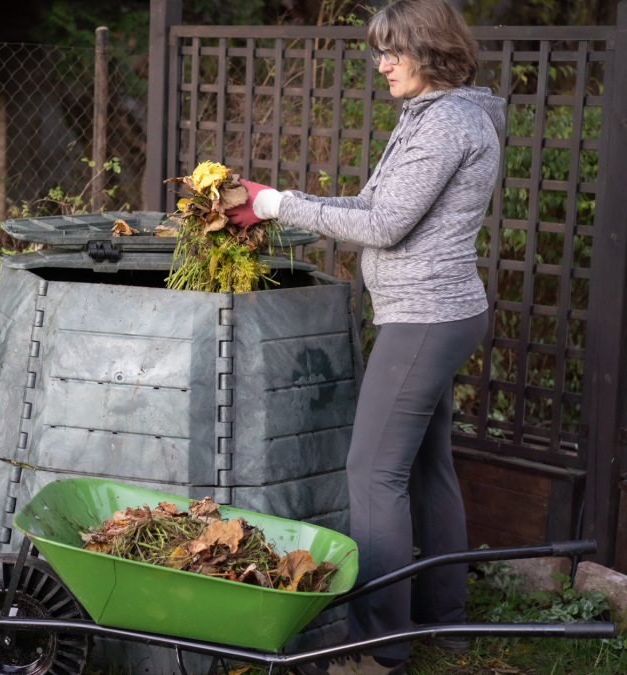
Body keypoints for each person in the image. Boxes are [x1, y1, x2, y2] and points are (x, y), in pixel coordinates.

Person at [225, 1, 505, 674]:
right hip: (434, 312)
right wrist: (280, 205)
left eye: (391, 51)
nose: (379, 63)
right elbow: (371, 205)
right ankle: (447, 622)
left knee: (372, 473)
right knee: (425, 468)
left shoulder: (447, 126)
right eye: (377, 50)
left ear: (431, 49)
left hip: (425, 318)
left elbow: (384, 227)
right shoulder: (434, 116)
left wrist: (270, 201)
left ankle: (377, 652)